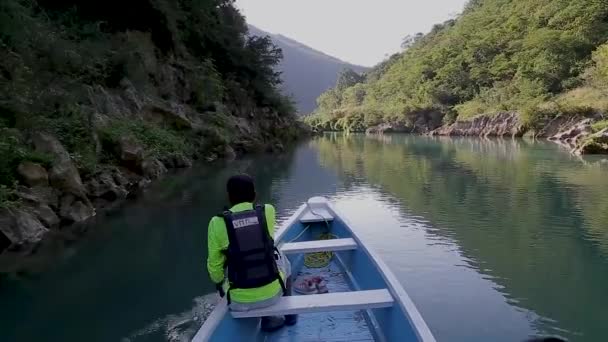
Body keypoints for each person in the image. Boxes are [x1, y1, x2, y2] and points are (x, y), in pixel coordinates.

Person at [206, 174, 297, 332]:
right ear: (255, 195)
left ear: (228, 196)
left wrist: (220, 282)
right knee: (282, 259)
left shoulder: (217, 222)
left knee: (230, 264)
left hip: (238, 301)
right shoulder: (267, 211)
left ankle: (266, 319)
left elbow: (215, 271)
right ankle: (289, 314)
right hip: (273, 293)